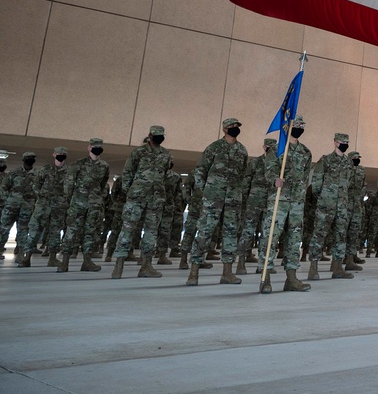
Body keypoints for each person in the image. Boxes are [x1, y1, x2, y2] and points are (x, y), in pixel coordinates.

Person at [186, 118, 249, 286]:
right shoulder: (214, 147)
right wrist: (205, 191)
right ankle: (194, 272)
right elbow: (200, 170)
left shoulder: (242, 150)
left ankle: (227, 273)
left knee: (230, 234)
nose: (235, 128)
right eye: (232, 126)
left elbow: (243, 174)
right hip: (213, 197)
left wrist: (238, 192)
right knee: (205, 232)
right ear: (225, 129)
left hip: (233, 199)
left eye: (237, 126)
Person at [112, 126, 173, 279]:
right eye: (156, 135)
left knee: (151, 232)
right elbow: (127, 172)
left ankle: (146, 265)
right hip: (137, 197)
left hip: (156, 198)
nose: (159, 137)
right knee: (128, 229)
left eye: (161, 135)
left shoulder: (165, 154)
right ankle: (118, 265)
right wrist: (131, 190)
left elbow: (165, 174)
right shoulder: (138, 152)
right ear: (150, 135)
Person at [259, 115, 312, 293]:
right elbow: (268, 170)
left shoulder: (305, 152)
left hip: (296, 202)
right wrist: (275, 179)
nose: (299, 127)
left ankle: (291, 278)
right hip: (279, 200)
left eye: (302, 125)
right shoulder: (277, 148)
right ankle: (265, 278)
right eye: (296, 124)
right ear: (288, 126)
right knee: (271, 237)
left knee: (295, 239)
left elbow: (305, 177)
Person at [59, 139, 110, 272]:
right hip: (78, 203)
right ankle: (64, 262)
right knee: (71, 231)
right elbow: (69, 184)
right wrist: (70, 200)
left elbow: (103, 185)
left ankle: (87, 261)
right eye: (95, 147)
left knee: (90, 232)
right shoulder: (78, 164)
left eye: (100, 147)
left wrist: (98, 199)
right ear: (89, 147)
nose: (97, 149)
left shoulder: (104, 166)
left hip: (94, 205)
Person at [308, 133, 353, 280]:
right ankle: (313, 267)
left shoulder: (348, 163)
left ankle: (338, 267)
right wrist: (323, 198)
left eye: (347, 142)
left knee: (340, 235)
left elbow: (349, 183)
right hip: (326, 204)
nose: (345, 144)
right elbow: (316, 183)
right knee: (319, 234)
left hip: (342, 205)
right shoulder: (326, 160)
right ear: (335, 142)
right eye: (342, 142)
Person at [19, 147, 69, 267]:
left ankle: (52, 258)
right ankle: (27, 257)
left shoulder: (69, 171)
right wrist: (41, 196)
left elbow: (71, 188)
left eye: (63, 154)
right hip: (43, 206)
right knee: (35, 230)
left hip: (59, 207)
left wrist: (64, 199)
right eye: (58, 154)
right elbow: (36, 185)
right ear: (54, 155)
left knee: (55, 232)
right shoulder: (45, 169)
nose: (61, 156)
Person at [236, 138, 278, 274]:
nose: (270, 148)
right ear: (263, 146)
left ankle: (263, 263)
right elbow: (246, 182)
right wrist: (243, 200)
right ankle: (241, 262)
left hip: (270, 200)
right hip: (254, 200)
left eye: (273, 146)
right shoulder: (255, 162)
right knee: (248, 230)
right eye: (268, 146)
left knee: (267, 233)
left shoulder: (277, 163)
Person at [0, 151, 38, 264]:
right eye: (28, 158)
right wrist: (8, 200)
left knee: (23, 230)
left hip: (27, 207)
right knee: (4, 228)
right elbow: (4, 187)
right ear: (23, 159)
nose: (30, 159)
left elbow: (39, 190)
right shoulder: (14, 172)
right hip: (11, 206)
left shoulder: (37, 174)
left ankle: (21, 254)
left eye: (32, 158)